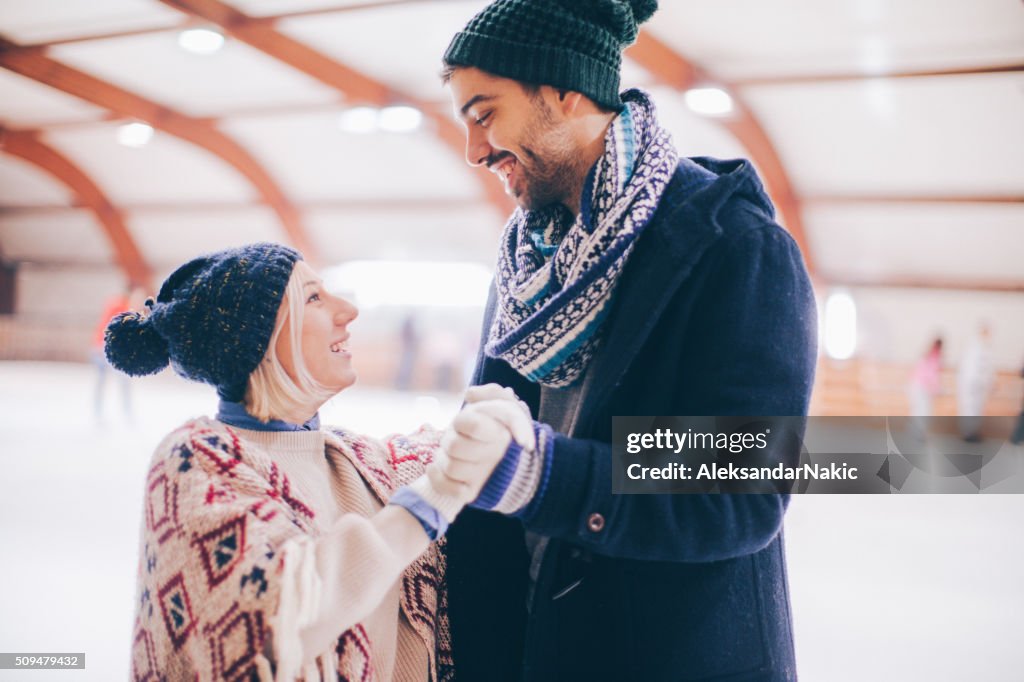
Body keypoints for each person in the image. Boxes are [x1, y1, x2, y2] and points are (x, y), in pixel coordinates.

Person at [437, 1, 817, 680]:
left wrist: (545, 476)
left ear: (563, 89)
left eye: (485, 113)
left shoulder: (735, 248)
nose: (474, 150)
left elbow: (739, 488)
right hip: (536, 647)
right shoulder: (526, 262)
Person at [105, 243, 534, 681]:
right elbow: (279, 618)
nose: (347, 310)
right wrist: (437, 494)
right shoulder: (195, 461)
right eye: (313, 298)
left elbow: (427, 460)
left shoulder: (350, 461)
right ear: (257, 341)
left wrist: (491, 418)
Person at [90, 286, 144, 422]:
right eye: (138, 296)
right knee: (122, 381)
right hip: (105, 348)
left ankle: (103, 413)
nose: (139, 300)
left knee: (107, 382)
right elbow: (116, 330)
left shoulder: (116, 303)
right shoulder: (122, 307)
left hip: (100, 346)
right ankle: (124, 414)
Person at [957, 321, 994, 442]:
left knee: (977, 410)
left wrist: (990, 383)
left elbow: (987, 368)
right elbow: (971, 368)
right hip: (971, 384)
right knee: (970, 409)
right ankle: (968, 434)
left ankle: (973, 432)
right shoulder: (973, 347)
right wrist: (975, 382)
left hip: (979, 386)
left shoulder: (986, 347)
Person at [908, 336, 944, 440]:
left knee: (921, 411)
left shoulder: (930, 355)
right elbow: (930, 376)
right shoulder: (933, 357)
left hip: (919, 387)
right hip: (920, 387)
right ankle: (918, 432)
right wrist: (937, 389)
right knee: (922, 411)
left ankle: (918, 432)